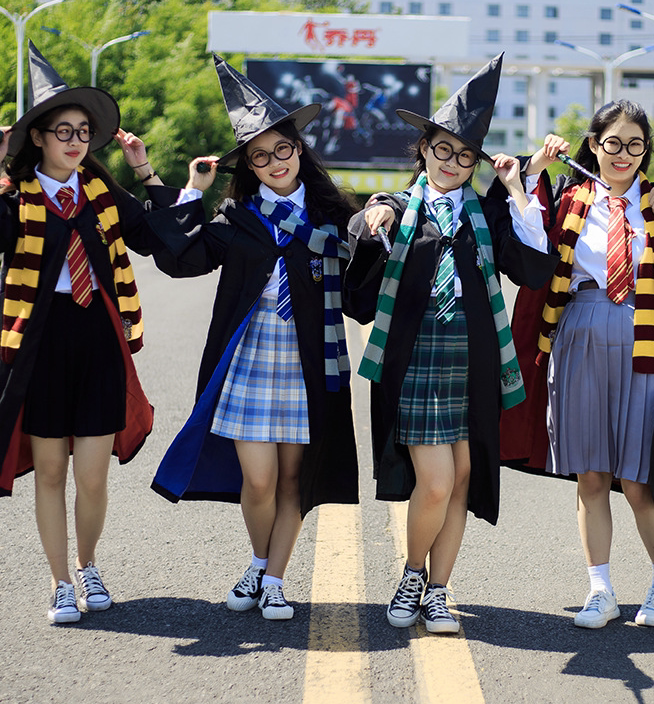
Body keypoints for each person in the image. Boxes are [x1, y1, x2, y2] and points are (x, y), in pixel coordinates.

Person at [345, 55, 559, 634]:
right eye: (443, 150)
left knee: (463, 478)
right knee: (436, 482)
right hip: (417, 361)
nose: (452, 163)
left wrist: (517, 186)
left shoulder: (484, 215)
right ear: (424, 149)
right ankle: (412, 575)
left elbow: (531, 267)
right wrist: (372, 218)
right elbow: (367, 236)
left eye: (465, 156)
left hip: (474, 363)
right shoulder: (398, 207)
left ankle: (438, 591)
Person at [149, 56, 359, 620]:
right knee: (259, 480)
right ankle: (259, 562)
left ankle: (274, 579)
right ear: (249, 165)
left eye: (281, 149)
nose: (274, 162)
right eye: (260, 156)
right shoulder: (237, 217)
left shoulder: (332, 220)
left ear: (299, 150)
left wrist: (382, 222)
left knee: (293, 479)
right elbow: (181, 259)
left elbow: (362, 290)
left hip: (309, 359)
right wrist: (190, 191)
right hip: (251, 356)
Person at [496, 99, 654, 629]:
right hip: (579, 333)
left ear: (646, 151)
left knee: (638, 479)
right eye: (612, 142)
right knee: (591, 475)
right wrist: (533, 167)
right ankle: (600, 589)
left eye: (635, 144)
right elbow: (526, 239)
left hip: (646, 340)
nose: (623, 154)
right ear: (593, 145)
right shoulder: (570, 200)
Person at [0, 42, 179, 624]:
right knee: (51, 471)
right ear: (37, 138)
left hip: (99, 341)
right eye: (63, 131)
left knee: (93, 477)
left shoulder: (101, 195)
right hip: (42, 347)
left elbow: (158, 236)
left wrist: (144, 169)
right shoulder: (17, 200)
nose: (75, 141)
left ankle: (88, 564)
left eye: (82, 131)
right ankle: (59, 582)